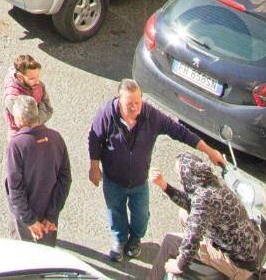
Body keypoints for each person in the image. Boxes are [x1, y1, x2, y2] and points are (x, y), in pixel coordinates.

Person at [88, 79, 225, 264]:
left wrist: (210, 152)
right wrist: (94, 167)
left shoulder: (151, 116)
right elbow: (95, 138)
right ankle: (119, 241)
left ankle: (135, 240)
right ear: (119, 99)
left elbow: (180, 131)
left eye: (138, 102)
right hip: (113, 179)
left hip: (138, 181)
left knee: (141, 216)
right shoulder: (106, 114)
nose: (135, 107)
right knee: (115, 212)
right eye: (130, 104)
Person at [153, 151, 265, 280]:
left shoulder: (203, 200)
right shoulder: (211, 183)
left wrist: (179, 265)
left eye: (180, 176)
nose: (179, 179)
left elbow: (193, 236)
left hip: (235, 263)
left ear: (188, 177)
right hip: (243, 248)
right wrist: (164, 185)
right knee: (184, 214)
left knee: (170, 241)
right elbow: (190, 204)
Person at [4, 96, 71, 246]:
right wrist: (51, 216)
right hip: (49, 215)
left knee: (25, 258)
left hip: (25, 219)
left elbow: (15, 188)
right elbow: (65, 179)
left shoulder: (16, 145)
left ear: (20, 119)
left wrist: (30, 221)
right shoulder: (56, 138)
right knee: (45, 257)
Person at [4, 54, 46, 132]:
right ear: (20, 77)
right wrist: (42, 112)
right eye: (32, 79)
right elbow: (25, 123)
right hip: (19, 132)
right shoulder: (11, 98)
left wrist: (39, 119)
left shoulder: (38, 85)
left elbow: (49, 109)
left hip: (38, 124)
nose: (38, 81)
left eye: (38, 76)